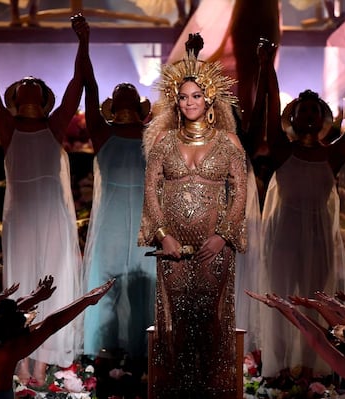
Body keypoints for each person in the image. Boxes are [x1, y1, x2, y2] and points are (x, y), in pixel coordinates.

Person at [253, 39, 345, 376]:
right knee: (282, 300)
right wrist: (265, 63)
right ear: (294, 117)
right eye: (303, 109)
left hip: (318, 236)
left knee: (318, 302)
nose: (308, 114)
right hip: (284, 234)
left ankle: (316, 369)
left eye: (314, 109)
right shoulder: (281, 149)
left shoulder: (333, 154)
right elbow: (272, 102)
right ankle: (281, 368)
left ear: (322, 118)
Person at [0, 8, 87, 384]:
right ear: (17, 97)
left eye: (36, 83)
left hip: (52, 215)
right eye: (25, 83)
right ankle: (23, 355)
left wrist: (83, 42)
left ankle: (44, 357)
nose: (30, 84)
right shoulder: (6, 126)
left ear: (45, 97)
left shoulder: (54, 125)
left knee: (52, 277)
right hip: (20, 216)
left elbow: (77, 84)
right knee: (25, 281)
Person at [138, 48, 247, 398]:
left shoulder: (228, 142)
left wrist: (223, 236)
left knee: (209, 317)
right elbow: (151, 191)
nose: (190, 103)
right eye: (183, 97)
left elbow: (240, 193)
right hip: (172, 249)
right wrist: (163, 236)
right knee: (179, 318)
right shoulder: (164, 142)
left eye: (196, 95)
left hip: (213, 246)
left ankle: (212, 389)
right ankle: (180, 389)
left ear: (210, 96)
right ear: (175, 101)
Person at [79, 43, 156, 360]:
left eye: (129, 92)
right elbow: (90, 88)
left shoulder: (153, 137)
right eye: (119, 92)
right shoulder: (102, 133)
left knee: (142, 287)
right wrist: (84, 44)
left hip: (143, 223)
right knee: (109, 285)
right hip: (110, 224)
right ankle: (106, 351)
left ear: (138, 105)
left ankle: (141, 352)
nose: (123, 93)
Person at [0, 279, 114, 399]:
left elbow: (4, 318)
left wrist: (34, 298)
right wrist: (88, 300)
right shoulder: (8, 353)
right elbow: (52, 325)